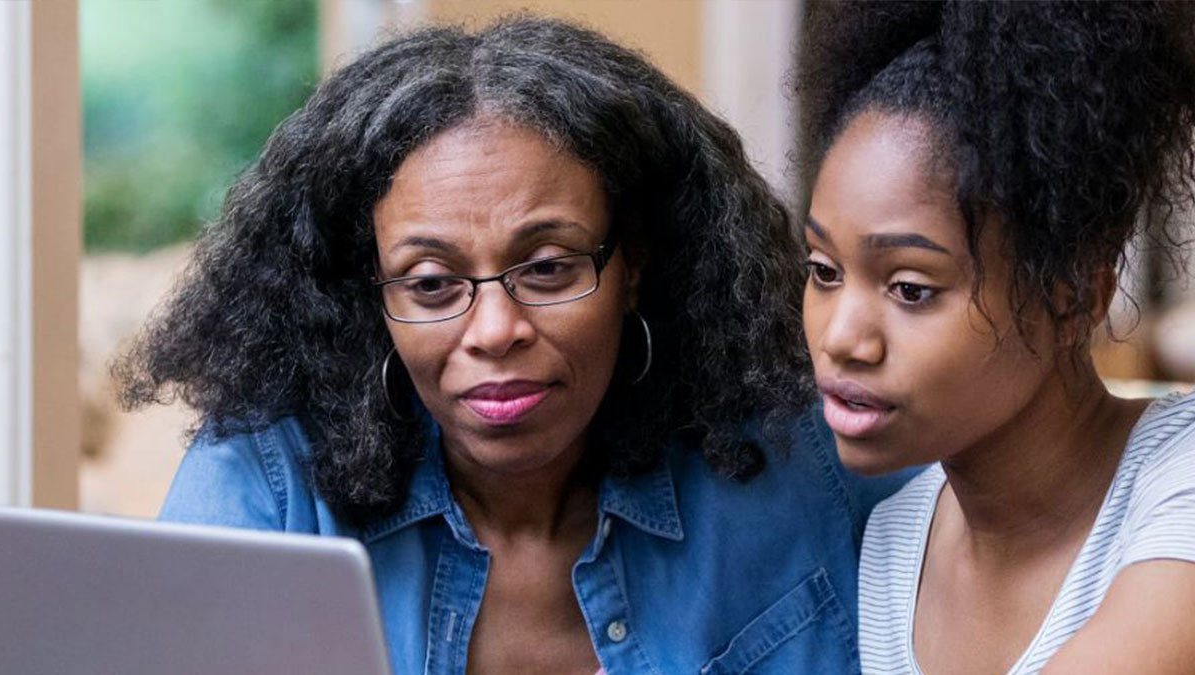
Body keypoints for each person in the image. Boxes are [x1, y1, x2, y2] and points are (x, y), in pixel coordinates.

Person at [116, 17, 909, 675]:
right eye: (430, 283)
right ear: (370, 296)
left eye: (549, 267)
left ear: (632, 263)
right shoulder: (268, 487)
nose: (494, 330)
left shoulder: (807, 458)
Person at [797, 1, 1195, 673]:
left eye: (911, 288)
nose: (841, 338)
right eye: (823, 271)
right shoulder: (894, 546)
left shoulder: (1176, 484)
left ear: (1073, 293)